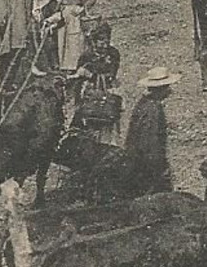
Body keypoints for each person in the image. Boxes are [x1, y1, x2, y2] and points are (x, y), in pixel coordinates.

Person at [122, 66, 179, 196]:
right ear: (161, 89)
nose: (170, 90)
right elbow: (149, 143)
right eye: (167, 87)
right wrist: (160, 168)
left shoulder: (144, 103)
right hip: (147, 165)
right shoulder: (153, 109)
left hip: (136, 161)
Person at [72, 20, 123, 144]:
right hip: (90, 95)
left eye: (107, 41)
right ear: (94, 41)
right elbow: (78, 83)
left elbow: (111, 74)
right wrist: (77, 102)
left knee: (107, 122)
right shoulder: (86, 56)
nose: (105, 45)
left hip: (107, 92)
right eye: (101, 41)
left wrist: (91, 75)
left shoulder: (113, 53)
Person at [55, 0, 92, 71]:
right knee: (63, 41)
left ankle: (76, 66)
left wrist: (81, 10)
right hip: (64, 15)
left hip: (74, 16)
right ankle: (65, 67)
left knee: (74, 41)